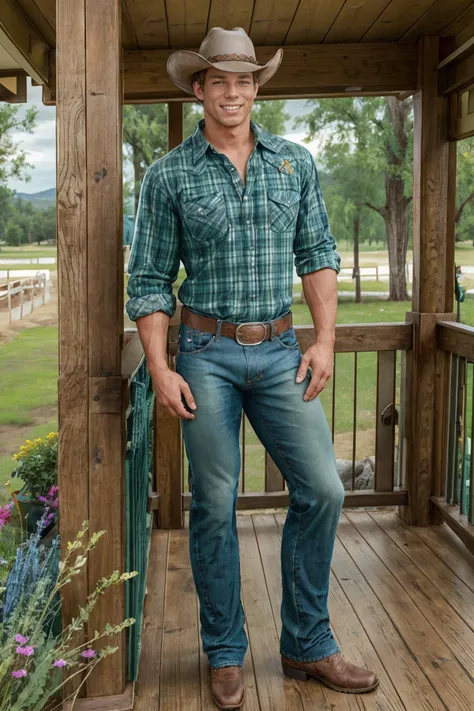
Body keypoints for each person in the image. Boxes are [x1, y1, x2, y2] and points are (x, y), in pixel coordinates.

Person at [126, 26, 379, 710]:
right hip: (203, 354)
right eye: (219, 80)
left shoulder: (294, 164)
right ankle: (226, 650)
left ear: (257, 88)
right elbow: (149, 278)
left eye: (244, 79)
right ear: (199, 88)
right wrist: (159, 361)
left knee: (323, 487)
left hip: (278, 352)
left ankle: (306, 641)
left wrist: (324, 341)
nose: (232, 91)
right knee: (213, 502)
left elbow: (318, 254)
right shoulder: (168, 174)